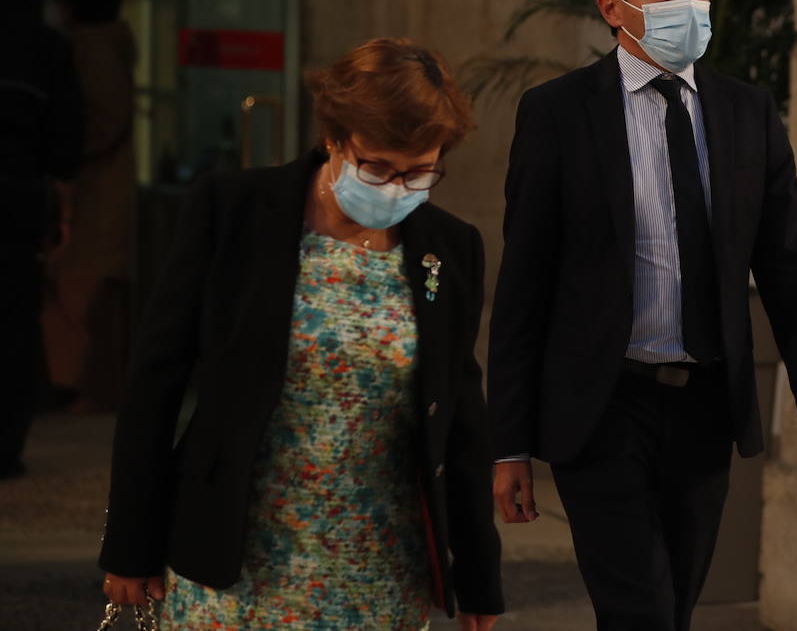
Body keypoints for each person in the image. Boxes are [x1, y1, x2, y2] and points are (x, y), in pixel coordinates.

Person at [487, 0, 797, 631]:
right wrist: (510, 444)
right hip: (602, 405)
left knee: (672, 608)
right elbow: (524, 287)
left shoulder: (747, 114)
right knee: (642, 613)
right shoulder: (559, 114)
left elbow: (794, 272)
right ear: (613, 8)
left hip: (705, 408)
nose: (687, 5)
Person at [99, 39, 503, 630]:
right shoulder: (233, 212)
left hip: (381, 567)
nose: (396, 188)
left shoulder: (450, 248)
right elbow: (153, 387)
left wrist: (478, 578)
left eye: (419, 172)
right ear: (335, 139)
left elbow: (461, 421)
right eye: (377, 167)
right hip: (238, 557)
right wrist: (130, 545)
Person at [0, 0, 84, 479]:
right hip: (16, 199)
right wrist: (62, 210)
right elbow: (64, 141)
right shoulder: (45, 45)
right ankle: (5, 447)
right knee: (12, 323)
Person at [43, 0, 136, 414]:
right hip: (105, 188)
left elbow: (104, 119)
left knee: (80, 290)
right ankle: (92, 386)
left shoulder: (91, 51)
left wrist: (65, 157)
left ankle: (80, 387)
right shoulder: (108, 45)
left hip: (94, 190)